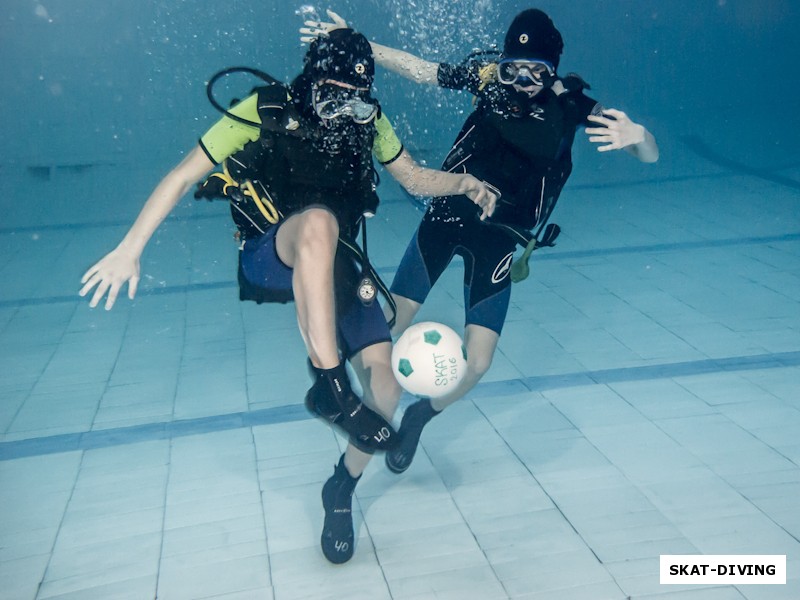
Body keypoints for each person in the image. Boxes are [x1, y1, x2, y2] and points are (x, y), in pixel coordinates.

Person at [79, 28, 496, 564]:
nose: (345, 113)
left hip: (337, 263)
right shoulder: (266, 107)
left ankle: (341, 487)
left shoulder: (371, 123)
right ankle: (331, 389)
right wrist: (130, 247)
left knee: (387, 384)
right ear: (309, 83)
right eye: (332, 96)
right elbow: (185, 174)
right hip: (271, 254)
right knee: (319, 222)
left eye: (357, 101)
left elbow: (412, 177)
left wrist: (463, 184)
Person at [301, 10, 659, 474]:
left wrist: (639, 135)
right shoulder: (488, 81)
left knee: (479, 363)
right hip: (448, 216)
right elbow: (421, 69)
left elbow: (648, 155)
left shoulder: (572, 106)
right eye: (513, 69)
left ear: (553, 71)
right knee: (387, 325)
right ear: (502, 63)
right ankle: (345, 406)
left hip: (502, 240)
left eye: (537, 73)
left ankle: (418, 416)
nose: (522, 83)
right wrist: (358, 43)